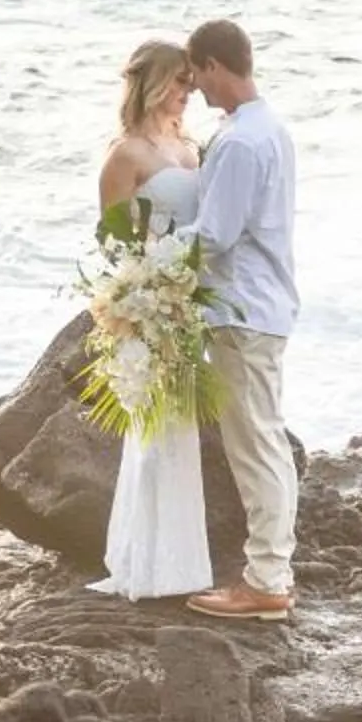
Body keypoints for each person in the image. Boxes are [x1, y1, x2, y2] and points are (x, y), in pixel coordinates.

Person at [85, 39, 214, 601]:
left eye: (191, 82)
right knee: (154, 434)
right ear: (155, 82)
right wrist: (141, 299)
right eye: (181, 82)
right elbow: (114, 243)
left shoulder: (188, 147)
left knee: (181, 432)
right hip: (150, 305)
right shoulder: (126, 155)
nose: (190, 92)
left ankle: (183, 565)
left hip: (188, 302)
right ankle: (146, 563)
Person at [180, 19, 300, 622]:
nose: (196, 89)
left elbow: (214, 236)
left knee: (255, 447)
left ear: (213, 66)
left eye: (197, 75)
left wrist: (152, 262)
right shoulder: (269, 128)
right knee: (266, 441)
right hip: (265, 304)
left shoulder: (238, 142)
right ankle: (271, 571)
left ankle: (265, 581)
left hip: (243, 308)